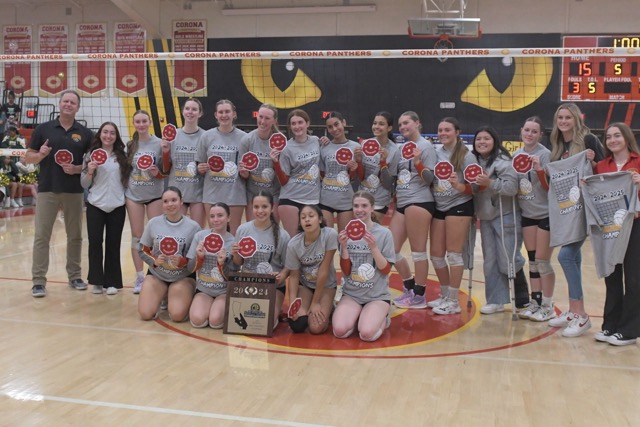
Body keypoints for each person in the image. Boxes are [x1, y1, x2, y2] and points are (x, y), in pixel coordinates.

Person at [24, 90, 93, 297]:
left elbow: (91, 164)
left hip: (73, 191)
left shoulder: (85, 133)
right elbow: (28, 158)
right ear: (59, 104)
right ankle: (38, 281)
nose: (68, 105)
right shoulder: (43, 129)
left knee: (75, 237)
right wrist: (40, 155)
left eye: (73, 102)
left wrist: (77, 168)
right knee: (41, 236)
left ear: (77, 107)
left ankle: (75, 276)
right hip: (47, 189)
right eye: (65, 101)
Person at [546, 103, 604, 337]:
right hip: (566, 210)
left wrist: (592, 161)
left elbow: (604, 171)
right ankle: (572, 310)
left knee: (566, 256)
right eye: (560, 117)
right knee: (575, 258)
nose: (563, 121)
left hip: (584, 208)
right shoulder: (558, 146)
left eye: (568, 117)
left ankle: (581, 315)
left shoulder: (588, 140)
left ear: (576, 119)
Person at [472, 126, 529, 314]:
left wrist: (491, 183)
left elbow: (512, 188)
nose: (482, 142)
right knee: (490, 261)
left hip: (506, 215)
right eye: (479, 138)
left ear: (494, 141)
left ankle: (522, 297)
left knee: (508, 258)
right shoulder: (472, 162)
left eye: (486, 138)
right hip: (486, 216)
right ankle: (496, 300)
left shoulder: (503, 162)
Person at [592, 123, 640, 345]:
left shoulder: (638, 162)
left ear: (627, 138)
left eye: (617, 135)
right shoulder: (602, 166)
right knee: (612, 277)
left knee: (633, 279)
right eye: (609, 137)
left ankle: (629, 330)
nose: (612, 140)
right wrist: (587, 184)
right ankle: (609, 326)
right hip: (610, 228)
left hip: (635, 227)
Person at [429, 117, 476, 315]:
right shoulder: (435, 152)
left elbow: (474, 188)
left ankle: (454, 300)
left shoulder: (466, 156)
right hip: (439, 205)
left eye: (447, 130)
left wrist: (458, 185)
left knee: (454, 254)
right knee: (436, 255)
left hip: (459, 205)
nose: (443, 133)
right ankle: (445, 294)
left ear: (457, 132)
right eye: (440, 130)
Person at [333, 191, 394, 342]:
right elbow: (346, 272)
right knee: (340, 331)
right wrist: (344, 247)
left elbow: (386, 270)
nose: (360, 209)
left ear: (372, 208)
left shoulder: (384, 234)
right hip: (352, 294)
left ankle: (384, 318)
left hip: (377, 296)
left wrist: (374, 248)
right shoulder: (347, 233)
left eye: (364, 206)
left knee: (367, 334)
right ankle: (358, 315)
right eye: (356, 206)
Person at [391, 111, 438, 309]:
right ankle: (409, 286)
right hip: (402, 201)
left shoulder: (426, 147)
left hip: (419, 202)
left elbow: (431, 179)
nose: (403, 127)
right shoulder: (401, 149)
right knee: (390, 250)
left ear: (417, 123)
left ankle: (419, 295)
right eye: (400, 124)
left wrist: (418, 163)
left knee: (418, 252)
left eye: (407, 123)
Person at [513, 117, 557, 322]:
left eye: (534, 131)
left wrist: (540, 169)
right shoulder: (516, 155)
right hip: (527, 214)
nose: (529, 134)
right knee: (532, 261)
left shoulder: (545, 154)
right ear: (521, 131)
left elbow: (551, 188)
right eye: (527, 130)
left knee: (543, 261)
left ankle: (548, 305)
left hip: (546, 214)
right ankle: (535, 302)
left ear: (540, 135)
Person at [81, 122, 131, 295]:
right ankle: (96, 281)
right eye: (105, 132)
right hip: (95, 204)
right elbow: (84, 183)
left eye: (112, 133)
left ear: (116, 136)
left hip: (117, 205)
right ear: (100, 134)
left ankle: (112, 282)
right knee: (95, 243)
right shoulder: (90, 155)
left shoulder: (122, 156)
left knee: (113, 244)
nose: (108, 136)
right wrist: (89, 170)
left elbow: (127, 180)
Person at [138, 187, 202, 322]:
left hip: (182, 277)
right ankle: (163, 294)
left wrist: (182, 262)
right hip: (157, 276)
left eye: (174, 200)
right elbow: (142, 250)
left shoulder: (193, 227)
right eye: (166, 201)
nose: (170, 204)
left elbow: (195, 262)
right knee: (145, 314)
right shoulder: (153, 223)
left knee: (177, 316)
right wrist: (154, 260)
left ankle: (176, 295)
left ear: (181, 202)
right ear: (162, 204)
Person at [232, 191, 290, 328]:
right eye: (256, 207)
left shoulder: (283, 235)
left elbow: (288, 267)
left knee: (266, 323)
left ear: (272, 208)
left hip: (272, 287)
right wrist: (235, 253)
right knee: (240, 321)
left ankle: (275, 308)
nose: (260, 211)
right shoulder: (243, 229)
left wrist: (280, 277)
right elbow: (238, 263)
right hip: (247, 284)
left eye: (264, 207)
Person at [125, 110, 167, 294]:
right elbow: (126, 170)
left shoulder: (159, 144)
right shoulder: (130, 145)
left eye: (144, 121)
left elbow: (164, 171)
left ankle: (157, 273)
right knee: (137, 235)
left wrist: (155, 171)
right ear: (134, 124)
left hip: (155, 194)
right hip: (133, 195)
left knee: (156, 235)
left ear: (150, 122)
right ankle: (139, 276)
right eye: (138, 122)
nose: (141, 124)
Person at [285, 204, 338, 334]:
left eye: (311, 216)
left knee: (315, 328)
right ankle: (310, 305)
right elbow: (294, 276)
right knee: (297, 325)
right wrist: (292, 304)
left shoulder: (330, 235)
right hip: (306, 285)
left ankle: (329, 306)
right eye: (303, 217)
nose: (307, 220)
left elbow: (324, 270)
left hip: (326, 285)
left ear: (320, 219)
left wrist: (315, 302)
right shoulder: (294, 244)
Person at [196, 99, 247, 234]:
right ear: (215, 115)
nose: (224, 115)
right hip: (212, 194)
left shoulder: (244, 138)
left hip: (235, 195)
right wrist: (200, 168)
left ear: (234, 114)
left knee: (233, 234)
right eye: (221, 112)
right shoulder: (206, 136)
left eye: (227, 112)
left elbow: (247, 170)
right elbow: (199, 165)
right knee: (215, 234)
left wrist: (245, 171)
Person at [272, 109, 321, 237]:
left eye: (300, 122)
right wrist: (276, 163)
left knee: (313, 240)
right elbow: (283, 181)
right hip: (291, 199)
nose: (297, 126)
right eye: (293, 123)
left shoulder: (316, 141)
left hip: (312, 199)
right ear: (290, 126)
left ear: (307, 123)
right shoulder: (287, 148)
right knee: (294, 241)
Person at [187, 202, 236, 329]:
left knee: (215, 321)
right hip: (204, 290)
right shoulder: (200, 236)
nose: (216, 220)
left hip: (223, 291)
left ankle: (220, 308)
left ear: (228, 218)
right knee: (197, 320)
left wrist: (222, 263)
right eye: (212, 216)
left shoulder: (233, 242)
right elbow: (189, 268)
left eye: (220, 215)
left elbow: (233, 275)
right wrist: (199, 257)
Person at [163, 98, 206, 227]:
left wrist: (203, 168)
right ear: (182, 112)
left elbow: (206, 166)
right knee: (175, 231)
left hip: (197, 192)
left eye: (194, 109)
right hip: (177, 193)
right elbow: (165, 168)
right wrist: (165, 152)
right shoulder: (173, 135)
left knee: (197, 232)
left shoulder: (206, 136)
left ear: (200, 113)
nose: (190, 112)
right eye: (187, 109)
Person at [318, 111, 363, 231]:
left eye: (336, 124)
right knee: (327, 239)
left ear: (343, 123)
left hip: (345, 200)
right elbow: (321, 174)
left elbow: (354, 178)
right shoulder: (324, 147)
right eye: (330, 127)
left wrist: (354, 169)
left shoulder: (355, 147)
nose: (334, 129)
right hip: (326, 199)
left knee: (344, 240)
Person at [239, 103, 281, 222]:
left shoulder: (280, 141)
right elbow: (244, 175)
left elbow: (284, 174)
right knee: (254, 230)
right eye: (260, 116)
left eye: (267, 118)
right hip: (253, 194)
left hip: (274, 194)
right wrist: (244, 172)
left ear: (274, 121)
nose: (262, 121)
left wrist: (276, 163)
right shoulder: (247, 140)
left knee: (273, 231)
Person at [358, 111, 399, 222]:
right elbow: (360, 177)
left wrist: (383, 162)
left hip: (379, 200)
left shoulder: (394, 150)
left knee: (372, 234)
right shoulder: (365, 144)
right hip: (362, 197)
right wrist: (357, 161)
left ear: (389, 128)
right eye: (375, 123)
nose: (376, 126)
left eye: (381, 124)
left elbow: (388, 183)